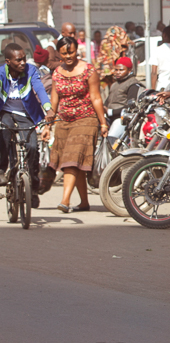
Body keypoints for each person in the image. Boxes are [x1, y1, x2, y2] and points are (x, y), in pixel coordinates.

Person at [46, 37, 108, 213]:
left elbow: (96, 97)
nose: (68, 56)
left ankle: (65, 201)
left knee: (71, 160)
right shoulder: (57, 72)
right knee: (75, 162)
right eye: (64, 53)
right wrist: (47, 125)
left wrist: (103, 123)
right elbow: (54, 101)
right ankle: (83, 203)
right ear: (59, 53)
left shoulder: (88, 70)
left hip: (86, 120)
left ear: (77, 50)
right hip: (64, 122)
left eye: (71, 52)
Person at [0, 43, 53, 208]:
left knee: (31, 147)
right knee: (4, 134)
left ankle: (33, 188)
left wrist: (48, 108)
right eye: (18, 60)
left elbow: (40, 90)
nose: (23, 62)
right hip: (5, 112)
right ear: (8, 61)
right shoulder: (1, 73)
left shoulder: (31, 70)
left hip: (27, 114)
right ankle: (2, 170)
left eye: (23, 58)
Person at [104, 57, 143, 139]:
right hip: (108, 118)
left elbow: (131, 106)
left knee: (111, 139)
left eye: (121, 70)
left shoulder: (133, 84)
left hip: (121, 119)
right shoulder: (115, 84)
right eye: (116, 70)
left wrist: (111, 112)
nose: (118, 72)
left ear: (129, 71)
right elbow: (108, 101)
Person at [149, 26, 170, 90]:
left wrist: (153, 90)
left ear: (164, 35)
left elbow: (154, 72)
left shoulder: (157, 50)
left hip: (162, 86)